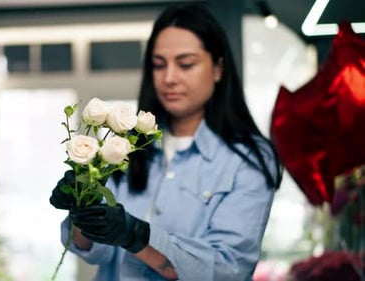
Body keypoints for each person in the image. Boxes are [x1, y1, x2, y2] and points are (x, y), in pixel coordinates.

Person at [50, 3, 283, 280]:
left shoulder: (246, 159)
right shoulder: (127, 145)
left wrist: (135, 235)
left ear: (219, 68)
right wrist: (82, 209)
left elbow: (225, 269)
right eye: (159, 65)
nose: (169, 78)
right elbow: (98, 252)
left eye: (186, 64)